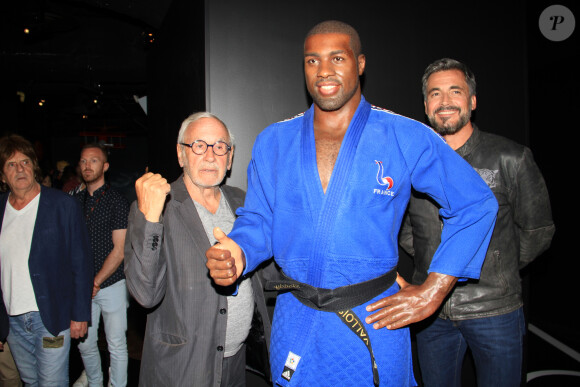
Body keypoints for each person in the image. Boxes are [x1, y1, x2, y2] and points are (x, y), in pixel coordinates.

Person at [205, 21, 498, 387]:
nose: (323, 71)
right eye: (312, 61)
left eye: (337, 58)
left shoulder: (403, 135)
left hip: (375, 318)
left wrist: (434, 290)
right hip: (297, 319)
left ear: (360, 64)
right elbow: (261, 221)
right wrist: (237, 253)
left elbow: (475, 204)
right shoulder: (274, 141)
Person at [397, 58, 555, 387]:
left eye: (455, 91)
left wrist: (493, 262)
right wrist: (433, 264)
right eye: (435, 93)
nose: (445, 102)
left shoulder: (511, 157)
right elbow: (407, 233)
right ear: (426, 104)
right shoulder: (410, 163)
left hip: (495, 310)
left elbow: (538, 231)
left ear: (472, 101)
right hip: (431, 313)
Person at [124, 112, 274, 386]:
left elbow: (269, 275)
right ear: (181, 155)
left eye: (219, 147)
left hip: (240, 363)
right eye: (199, 146)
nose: (210, 156)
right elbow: (145, 295)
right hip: (182, 368)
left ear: (230, 158)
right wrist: (151, 220)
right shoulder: (156, 207)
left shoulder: (244, 202)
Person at [0, 134, 92, 386]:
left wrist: (80, 314)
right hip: (13, 321)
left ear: (34, 166)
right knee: (30, 382)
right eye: (11, 164)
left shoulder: (62, 205)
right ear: (2, 175)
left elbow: (81, 263)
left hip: (52, 316)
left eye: (25, 162)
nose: (20, 169)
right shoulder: (1, 210)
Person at [72, 143, 130, 387]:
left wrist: (94, 283)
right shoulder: (73, 201)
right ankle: (94, 382)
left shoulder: (117, 200)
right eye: (84, 161)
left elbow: (119, 251)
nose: (87, 165)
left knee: (116, 344)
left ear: (105, 166)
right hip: (82, 288)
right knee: (85, 343)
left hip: (112, 284)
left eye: (93, 161)